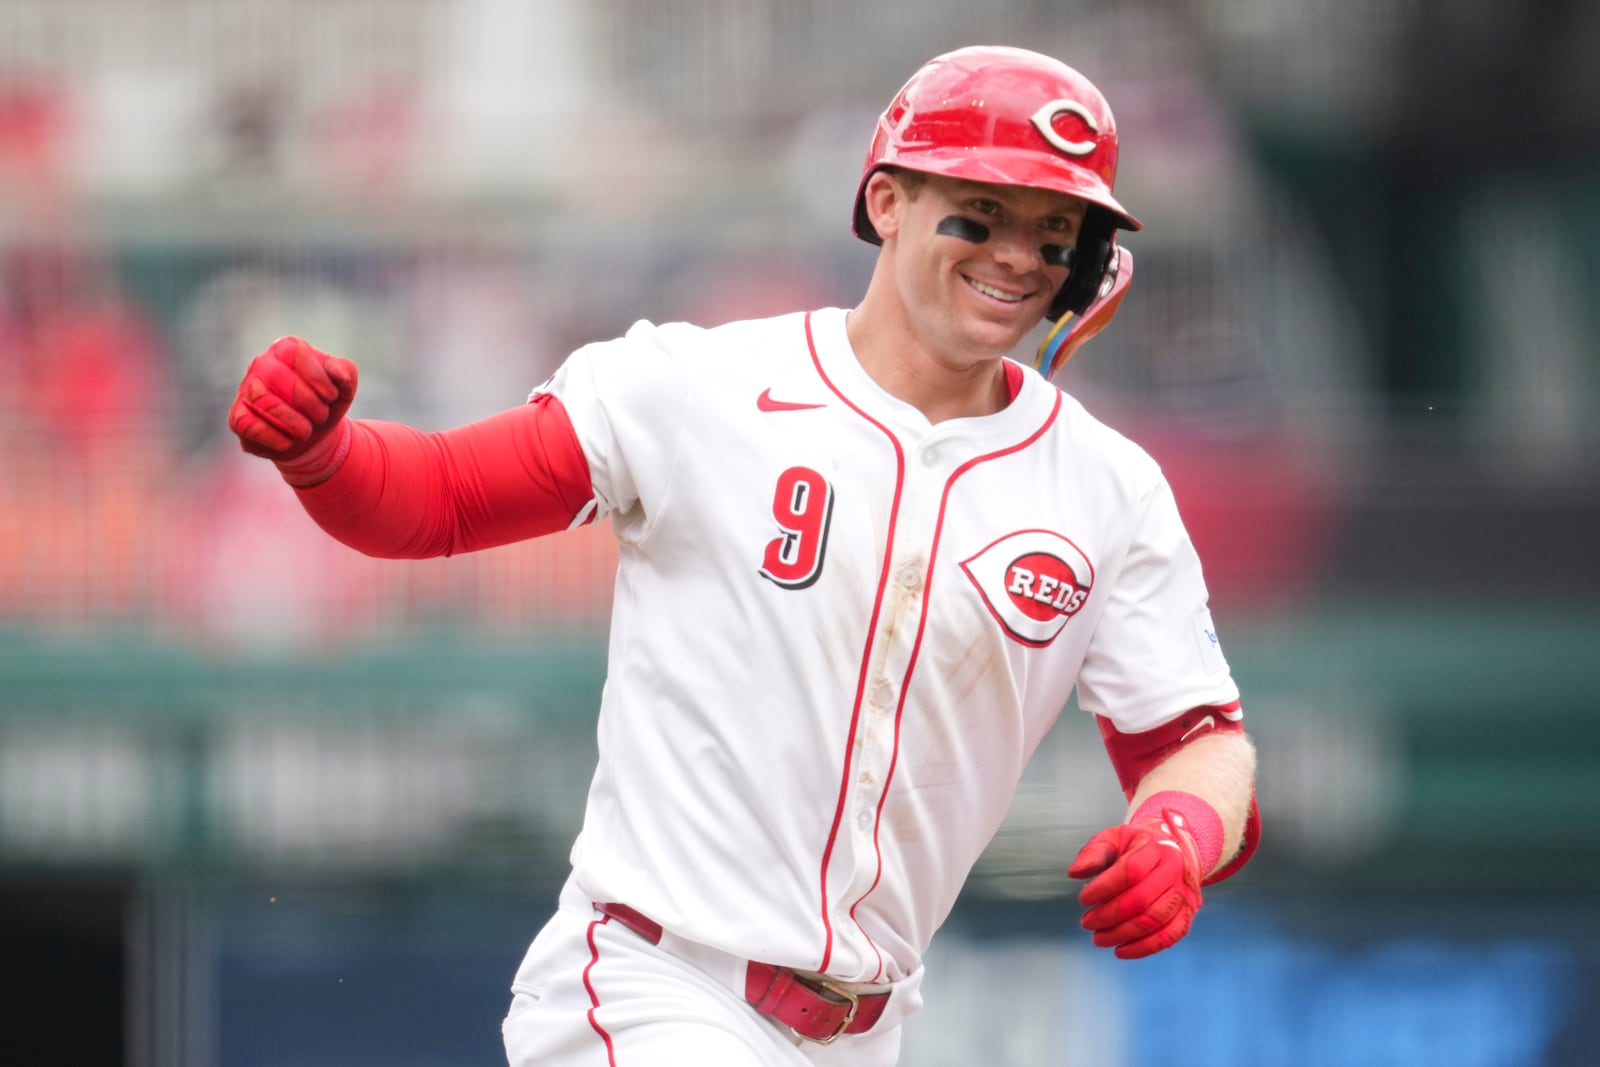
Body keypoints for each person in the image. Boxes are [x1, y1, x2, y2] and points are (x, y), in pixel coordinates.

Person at [227, 44, 1259, 1067]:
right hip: (657, 981)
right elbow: (434, 499)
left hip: (868, 1026)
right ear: (887, 201)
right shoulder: (700, 386)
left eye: (1054, 230)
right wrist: (325, 452)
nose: (1017, 254)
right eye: (982, 211)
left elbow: (1202, 742)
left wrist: (1177, 831)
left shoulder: (1106, 487)